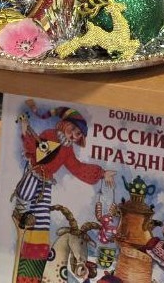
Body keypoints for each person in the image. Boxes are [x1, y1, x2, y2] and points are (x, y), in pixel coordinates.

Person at [11, 101, 115, 283]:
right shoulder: (49, 134)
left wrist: (101, 173)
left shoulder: (67, 150)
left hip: (46, 183)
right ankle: (20, 213)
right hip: (34, 173)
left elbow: (78, 168)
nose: (74, 135)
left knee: (42, 223)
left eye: (78, 134)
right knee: (26, 193)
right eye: (73, 129)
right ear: (65, 124)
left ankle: (31, 275)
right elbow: (33, 148)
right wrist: (25, 130)